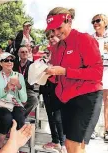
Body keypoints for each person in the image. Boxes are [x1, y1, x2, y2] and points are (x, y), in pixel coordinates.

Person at [45, 7, 103, 153]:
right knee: (72, 145)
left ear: (68, 21)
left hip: (86, 96)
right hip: (66, 98)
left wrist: (64, 71)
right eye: (52, 30)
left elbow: (96, 73)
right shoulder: (56, 47)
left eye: (58, 28)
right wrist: (45, 74)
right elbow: (56, 77)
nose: (56, 33)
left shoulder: (84, 39)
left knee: (73, 145)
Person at [0, 52, 27, 148]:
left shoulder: (19, 76)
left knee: (20, 117)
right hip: (0, 105)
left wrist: (19, 86)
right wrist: (5, 89)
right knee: (7, 117)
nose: (10, 62)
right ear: (1, 63)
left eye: (11, 60)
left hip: (15, 104)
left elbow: (24, 99)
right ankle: (0, 145)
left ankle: (15, 145)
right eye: (6, 60)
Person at [39, 31, 66, 153]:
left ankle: (63, 143)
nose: (51, 39)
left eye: (53, 36)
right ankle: (55, 141)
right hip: (47, 87)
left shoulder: (64, 50)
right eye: (49, 37)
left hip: (59, 87)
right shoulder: (49, 51)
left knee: (58, 117)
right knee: (50, 115)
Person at [91, 14, 108, 142]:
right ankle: (91, 130)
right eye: (93, 22)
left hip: (107, 71)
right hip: (95, 72)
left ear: (105, 22)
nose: (95, 23)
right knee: (93, 101)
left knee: (107, 102)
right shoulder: (91, 38)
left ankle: (107, 131)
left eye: (98, 21)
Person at [13, 46, 38, 117]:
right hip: (15, 88)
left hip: (27, 89)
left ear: (29, 53)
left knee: (34, 100)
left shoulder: (32, 65)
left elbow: (34, 79)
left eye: (26, 52)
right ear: (18, 54)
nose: (24, 53)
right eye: (22, 52)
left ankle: (21, 116)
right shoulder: (14, 64)